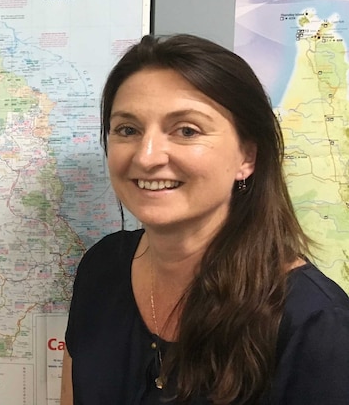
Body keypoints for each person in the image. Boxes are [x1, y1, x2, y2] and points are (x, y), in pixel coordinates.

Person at [61, 34, 349, 404]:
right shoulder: (101, 269)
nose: (147, 157)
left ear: (247, 156)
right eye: (128, 130)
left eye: (186, 130)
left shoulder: (316, 326)